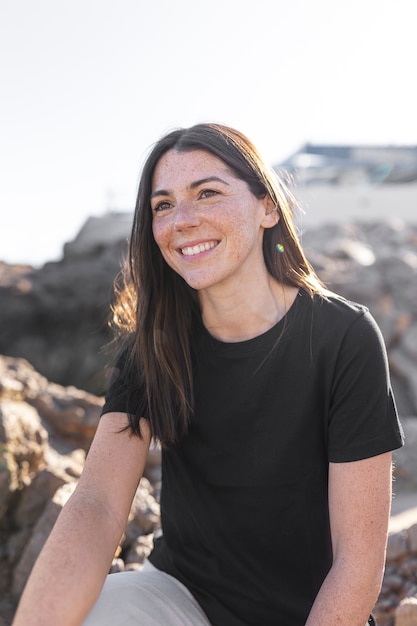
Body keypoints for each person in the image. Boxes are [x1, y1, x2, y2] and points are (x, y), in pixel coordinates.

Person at [13, 123, 404, 626]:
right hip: (182, 597)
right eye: (163, 205)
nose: (183, 220)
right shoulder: (153, 347)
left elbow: (358, 561)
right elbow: (99, 504)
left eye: (208, 194)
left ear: (267, 207)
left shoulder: (342, 336)